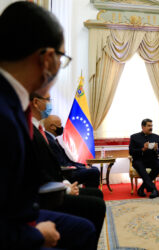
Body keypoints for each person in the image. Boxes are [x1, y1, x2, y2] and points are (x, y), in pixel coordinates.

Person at [0, 2, 96, 249]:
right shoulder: (6, 115)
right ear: (47, 59)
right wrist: (38, 235)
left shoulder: (12, 101)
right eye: (62, 59)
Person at [30, 92, 106, 244]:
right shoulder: (31, 131)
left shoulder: (39, 130)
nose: (50, 103)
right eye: (48, 99)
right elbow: (40, 170)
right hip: (44, 194)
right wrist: (65, 187)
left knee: (96, 194)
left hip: (56, 183)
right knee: (96, 206)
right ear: (36, 103)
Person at [44, 115, 100, 188]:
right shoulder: (50, 141)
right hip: (66, 174)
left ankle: (87, 193)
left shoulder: (51, 139)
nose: (62, 127)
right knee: (94, 171)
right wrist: (82, 168)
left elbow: (67, 160)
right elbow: (62, 163)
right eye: (60, 125)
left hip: (68, 170)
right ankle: (93, 195)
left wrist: (83, 166)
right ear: (52, 127)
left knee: (92, 168)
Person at [129, 118, 159, 198]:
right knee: (140, 166)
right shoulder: (134, 137)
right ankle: (154, 189)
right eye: (149, 126)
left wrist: (157, 149)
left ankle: (141, 188)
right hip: (139, 160)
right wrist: (143, 149)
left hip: (152, 159)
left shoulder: (156, 137)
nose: (151, 127)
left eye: (151, 125)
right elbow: (131, 152)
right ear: (143, 127)